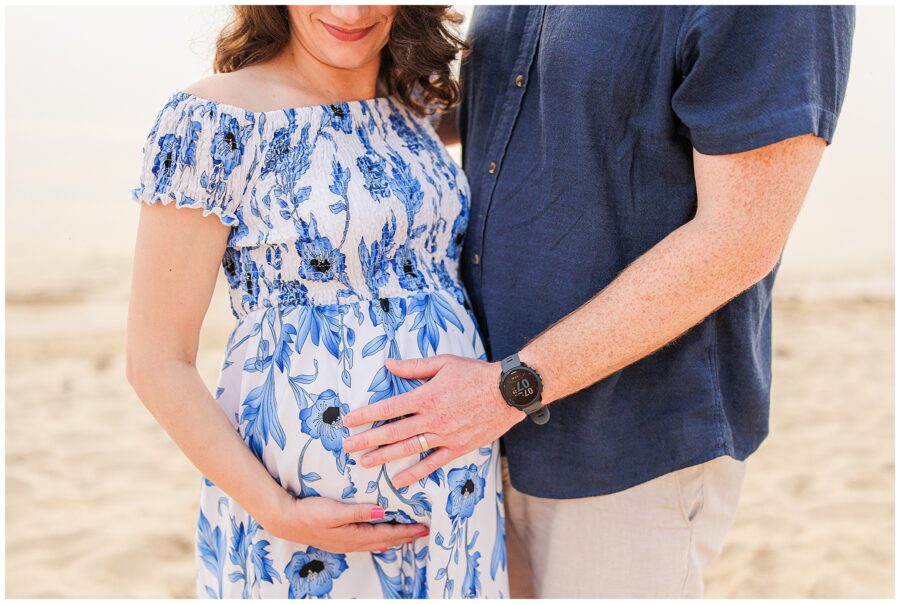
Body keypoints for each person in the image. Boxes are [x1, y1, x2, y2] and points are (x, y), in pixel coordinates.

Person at [341, 5, 855, 598]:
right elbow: (474, 108)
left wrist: (509, 388)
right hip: (469, 429)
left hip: (624, 442)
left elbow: (741, 239)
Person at [124, 5, 508, 598]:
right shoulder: (211, 120)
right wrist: (275, 510)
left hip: (455, 504)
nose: (349, 11)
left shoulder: (417, 105)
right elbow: (156, 359)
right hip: (298, 525)